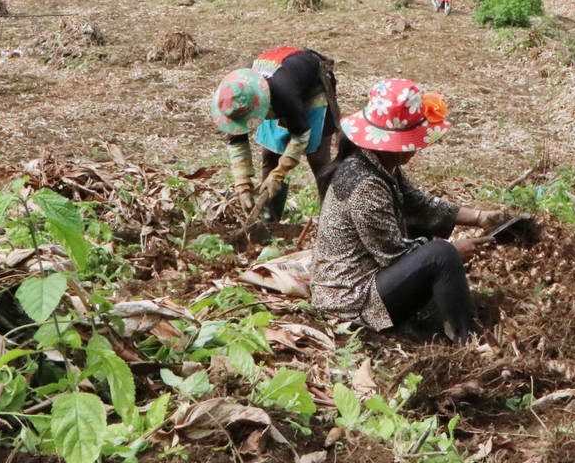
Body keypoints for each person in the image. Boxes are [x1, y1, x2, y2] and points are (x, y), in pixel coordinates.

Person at [309, 78, 508, 343]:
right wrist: (453, 251)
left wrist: (480, 217)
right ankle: (470, 341)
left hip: (362, 283)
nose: (416, 148)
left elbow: (420, 204)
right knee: (441, 255)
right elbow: (393, 255)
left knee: (435, 247)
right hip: (351, 300)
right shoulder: (365, 185)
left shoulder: (378, 164)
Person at [211, 47, 340, 221]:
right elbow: (236, 140)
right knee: (270, 154)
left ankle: (333, 216)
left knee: (318, 157)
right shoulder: (234, 96)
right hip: (280, 85)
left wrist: (279, 174)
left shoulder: (283, 93)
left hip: (313, 84)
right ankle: (269, 218)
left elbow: (301, 133)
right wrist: (242, 185)